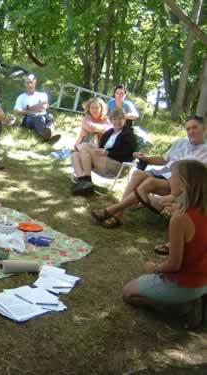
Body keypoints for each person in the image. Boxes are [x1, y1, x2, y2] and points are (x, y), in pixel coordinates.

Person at [122, 160, 207, 328]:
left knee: (128, 293)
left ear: (183, 185)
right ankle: (194, 299)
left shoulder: (180, 218)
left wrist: (153, 267)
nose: (169, 181)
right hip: (203, 280)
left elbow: (174, 264)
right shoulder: (195, 211)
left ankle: (183, 307)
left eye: (173, 177)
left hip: (185, 284)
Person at [91, 115, 207, 228]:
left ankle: (112, 210)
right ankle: (119, 214)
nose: (191, 131)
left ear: (204, 128)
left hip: (177, 183)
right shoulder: (180, 143)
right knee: (138, 174)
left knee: (150, 182)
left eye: (195, 127)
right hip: (162, 173)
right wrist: (145, 158)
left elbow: (199, 178)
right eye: (188, 128)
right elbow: (163, 159)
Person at [71, 107, 137, 195]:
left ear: (125, 119)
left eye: (120, 118)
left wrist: (108, 153)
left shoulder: (128, 135)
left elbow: (127, 154)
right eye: (114, 119)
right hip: (100, 160)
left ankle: (85, 181)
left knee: (85, 147)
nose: (117, 121)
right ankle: (83, 180)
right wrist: (98, 149)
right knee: (76, 154)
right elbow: (100, 148)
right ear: (111, 120)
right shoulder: (109, 133)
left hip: (116, 165)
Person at [13, 74, 61, 143]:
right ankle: (46, 136)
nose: (30, 85)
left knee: (49, 117)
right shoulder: (21, 97)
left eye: (31, 82)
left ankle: (50, 133)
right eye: (27, 83)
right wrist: (32, 110)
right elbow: (16, 111)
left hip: (44, 115)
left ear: (35, 82)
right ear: (25, 84)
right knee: (39, 118)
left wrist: (29, 107)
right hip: (30, 118)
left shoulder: (42, 95)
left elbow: (45, 106)